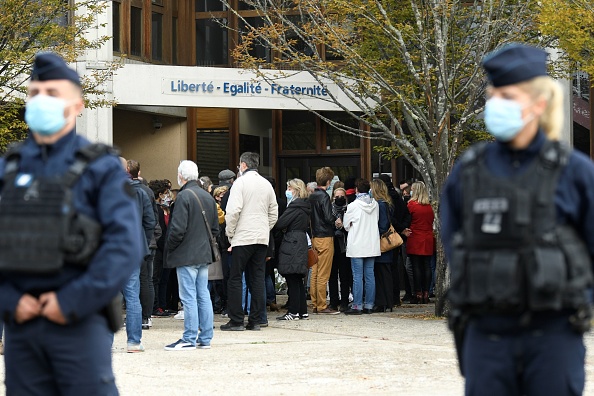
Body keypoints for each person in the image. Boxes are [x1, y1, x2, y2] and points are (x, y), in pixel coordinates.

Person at [441, 43, 594, 396]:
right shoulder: (468, 171)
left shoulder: (575, 172)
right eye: (492, 96)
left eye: (506, 96)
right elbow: (454, 242)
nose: (495, 104)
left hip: (554, 337)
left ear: (538, 103)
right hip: (486, 336)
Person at [0, 52, 143, 394]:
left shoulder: (101, 168)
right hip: (21, 326)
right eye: (35, 93)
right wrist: (9, 300)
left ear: (76, 104)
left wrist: (69, 301)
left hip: (78, 322)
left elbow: (124, 246)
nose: (41, 101)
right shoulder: (9, 168)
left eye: (52, 93)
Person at [164, 160, 218, 350]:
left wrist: (169, 247)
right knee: (203, 295)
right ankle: (205, 338)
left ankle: (189, 338)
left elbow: (177, 229)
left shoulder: (184, 197)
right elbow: (215, 229)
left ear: (181, 176)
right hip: (203, 254)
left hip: (186, 255)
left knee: (188, 297)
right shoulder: (208, 196)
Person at [221, 152, 278, 331]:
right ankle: (256, 320)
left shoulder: (240, 183)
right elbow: (273, 213)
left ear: (243, 165)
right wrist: (263, 228)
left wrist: (231, 234)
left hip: (242, 237)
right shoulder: (266, 184)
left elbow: (233, 211)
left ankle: (237, 319)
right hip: (261, 238)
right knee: (257, 278)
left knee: (236, 278)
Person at [127, 159, 158, 329]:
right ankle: (145, 318)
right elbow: (152, 220)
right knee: (145, 280)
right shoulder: (146, 191)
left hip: (136, 243)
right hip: (145, 243)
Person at [274, 178, 311, 320]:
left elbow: (280, 223)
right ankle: (302, 311)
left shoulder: (295, 206)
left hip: (292, 242)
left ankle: (293, 311)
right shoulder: (304, 206)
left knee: (292, 278)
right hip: (300, 241)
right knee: (297, 278)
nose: (287, 191)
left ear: (296, 190)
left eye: (290, 188)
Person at [343, 179, 380, 315]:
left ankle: (357, 305)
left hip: (357, 244)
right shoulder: (375, 204)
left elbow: (346, 225)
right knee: (370, 275)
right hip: (371, 244)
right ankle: (369, 304)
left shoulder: (353, 206)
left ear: (357, 190)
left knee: (357, 276)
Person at [309, 167, 340, 315]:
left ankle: (315, 303)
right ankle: (322, 305)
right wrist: (336, 220)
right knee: (323, 273)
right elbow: (328, 217)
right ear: (328, 181)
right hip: (325, 236)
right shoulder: (324, 196)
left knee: (314, 271)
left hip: (314, 236)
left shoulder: (312, 195)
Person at [403, 181, 434, 304]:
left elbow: (407, 220)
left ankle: (418, 293)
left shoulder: (411, 205)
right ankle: (426, 293)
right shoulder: (429, 206)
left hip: (415, 236)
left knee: (415, 266)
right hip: (427, 237)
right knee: (427, 266)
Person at [370, 179, 395, 312]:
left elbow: (383, 225)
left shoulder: (380, 204)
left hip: (381, 243)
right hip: (385, 243)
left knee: (381, 273)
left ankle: (382, 302)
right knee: (385, 273)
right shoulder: (387, 203)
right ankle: (387, 302)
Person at [328, 187, 351, 312]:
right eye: (337, 196)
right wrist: (334, 224)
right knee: (332, 276)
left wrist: (343, 226)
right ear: (333, 197)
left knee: (344, 276)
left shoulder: (349, 209)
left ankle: (344, 302)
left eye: (341, 196)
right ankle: (333, 302)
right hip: (332, 244)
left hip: (345, 246)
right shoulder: (329, 209)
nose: (339, 199)